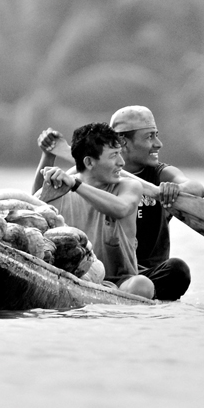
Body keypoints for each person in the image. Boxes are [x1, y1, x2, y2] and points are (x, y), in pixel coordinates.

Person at [37, 106, 204, 301]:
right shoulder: (74, 179)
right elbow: (37, 202)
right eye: (149, 137)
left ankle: (134, 296)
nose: (158, 144)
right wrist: (49, 158)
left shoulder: (143, 180)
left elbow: (197, 189)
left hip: (133, 274)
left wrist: (162, 192)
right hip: (88, 270)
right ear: (123, 141)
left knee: (175, 272)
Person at [33, 122, 154, 299]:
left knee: (142, 285)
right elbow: (34, 208)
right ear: (89, 162)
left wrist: (75, 185)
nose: (122, 162)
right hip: (73, 280)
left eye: (120, 154)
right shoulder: (62, 188)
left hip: (119, 283)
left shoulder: (130, 186)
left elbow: (121, 208)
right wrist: (48, 157)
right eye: (114, 156)